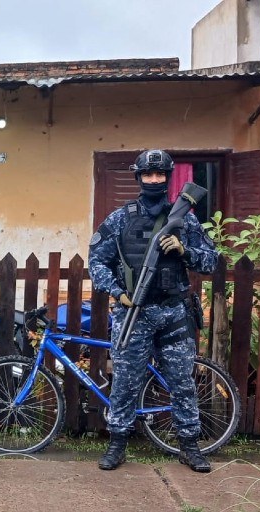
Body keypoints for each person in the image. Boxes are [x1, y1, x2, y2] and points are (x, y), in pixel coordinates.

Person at [88, 149, 219, 473]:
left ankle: (189, 446)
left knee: (182, 383)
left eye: (160, 175)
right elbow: (97, 262)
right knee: (125, 382)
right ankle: (117, 443)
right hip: (135, 315)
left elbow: (212, 260)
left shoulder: (185, 218)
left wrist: (184, 250)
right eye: (149, 175)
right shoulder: (120, 219)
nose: (154, 180)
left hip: (173, 312)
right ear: (139, 177)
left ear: (168, 178)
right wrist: (118, 293)